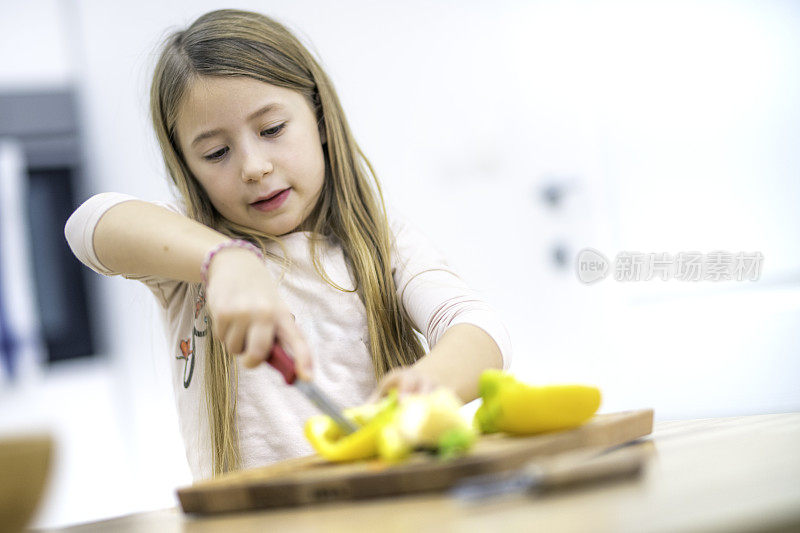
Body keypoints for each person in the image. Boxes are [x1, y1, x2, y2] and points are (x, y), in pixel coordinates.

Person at [65, 9, 511, 481]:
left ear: (318, 118)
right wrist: (226, 260)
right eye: (216, 153)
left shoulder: (383, 241)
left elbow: (476, 325)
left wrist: (430, 386)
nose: (253, 166)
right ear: (188, 167)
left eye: (272, 129)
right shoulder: (189, 259)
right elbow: (88, 225)